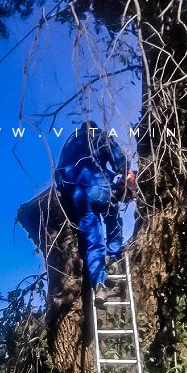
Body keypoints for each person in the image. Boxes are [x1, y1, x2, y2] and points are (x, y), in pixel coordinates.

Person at [55, 122, 137, 306]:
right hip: (99, 188)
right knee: (114, 221)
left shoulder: (69, 144)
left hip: (78, 197)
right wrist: (127, 176)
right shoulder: (98, 135)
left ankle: (99, 285)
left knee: (93, 242)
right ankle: (113, 257)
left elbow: (59, 179)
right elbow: (119, 159)